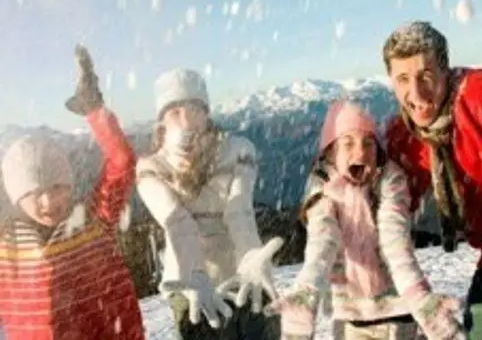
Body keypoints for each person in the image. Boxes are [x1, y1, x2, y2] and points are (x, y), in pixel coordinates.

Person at [384, 20, 482, 339]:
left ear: (445, 70)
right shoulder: (404, 136)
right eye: (403, 79)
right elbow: (393, 206)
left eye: (425, 75)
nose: (415, 93)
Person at [265, 100, 465, 339]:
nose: (360, 152)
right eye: (348, 143)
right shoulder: (322, 191)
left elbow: (395, 243)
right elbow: (323, 241)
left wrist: (420, 298)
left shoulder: (390, 181)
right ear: (330, 152)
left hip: (400, 314)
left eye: (368, 143)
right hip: (351, 323)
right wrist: (307, 287)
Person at [0, 46, 144, 339]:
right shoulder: (6, 246)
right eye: (33, 192)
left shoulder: (93, 218)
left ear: (70, 185)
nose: (49, 201)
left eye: (57, 187)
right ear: (16, 198)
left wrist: (94, 108)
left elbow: (122, 162)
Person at [136, 68, 282, 339]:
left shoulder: (238, 150)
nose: (186, 121)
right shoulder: (151, 169)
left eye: (194, 109)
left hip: (246, 278)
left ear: (207, 114)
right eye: (175, 112)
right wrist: (195, 273)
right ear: (162, 122)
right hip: (191, 289)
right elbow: (178, 223)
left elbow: (239, 211)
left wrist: (250, 256)